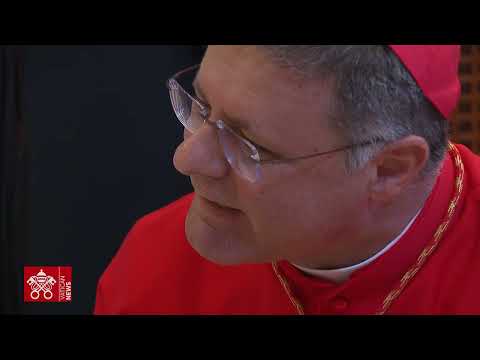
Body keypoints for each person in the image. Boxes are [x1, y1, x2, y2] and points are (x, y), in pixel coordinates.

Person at [94, 45, 480, 315]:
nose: (186, 158)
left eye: (248, 144)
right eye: (201, 107)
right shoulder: (151, 264)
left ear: (389, 170)